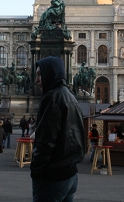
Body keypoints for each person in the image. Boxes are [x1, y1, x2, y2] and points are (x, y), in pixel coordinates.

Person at [30, 56, 85, 202]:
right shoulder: (71, 97)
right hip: (70, 175)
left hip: (52, 177)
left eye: (40, 74)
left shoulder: (52, 97)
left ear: (50, 73)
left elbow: (46, 141)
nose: (36, 80)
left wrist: (36, 169)